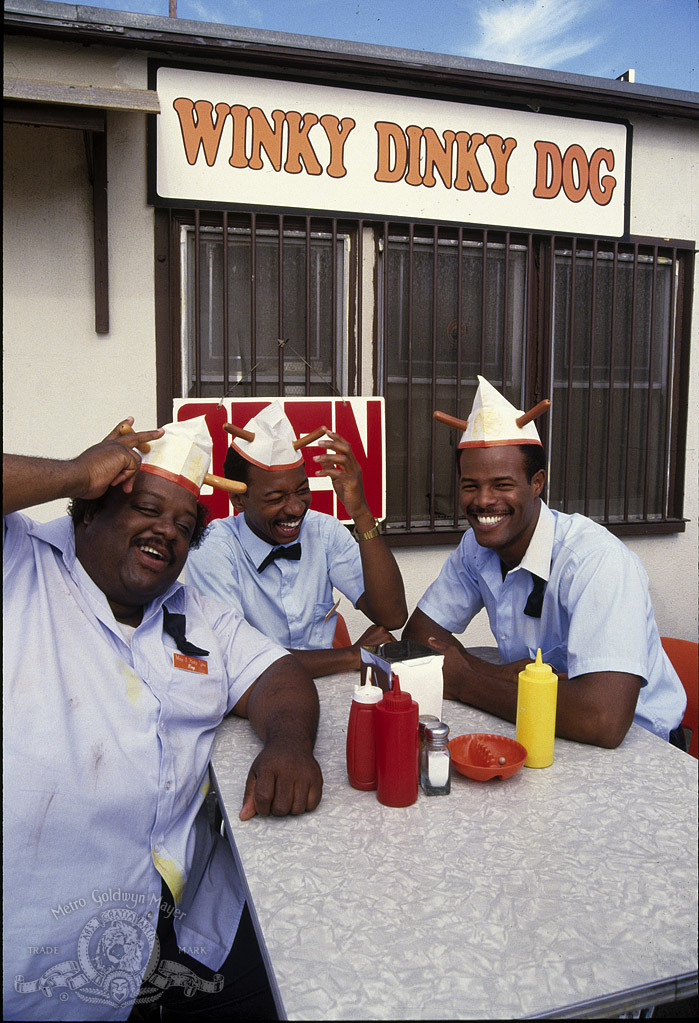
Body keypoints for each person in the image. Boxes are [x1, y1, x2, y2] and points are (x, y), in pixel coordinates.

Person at [3, 415, 323, 1021]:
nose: (167, 532)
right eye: (148, 508)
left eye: (184, 524)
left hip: (182, 931)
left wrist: (287, 745)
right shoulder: (20, 563)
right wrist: (74, 471)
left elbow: (279, 677)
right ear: (90, 511)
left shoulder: (194, 613)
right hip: (39, 957)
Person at [402, 377, 686, 750]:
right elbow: (417, 638)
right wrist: (499, 675)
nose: (483, 501)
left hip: (643, 746)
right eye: (470, 485)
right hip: (540, 724)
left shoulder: (595, 561)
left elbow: (603, 719)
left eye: (502, 484)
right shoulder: (476, 548)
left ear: (537, 483)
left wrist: (467, 681)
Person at [187, 402, 407, 677]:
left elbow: (392, 617)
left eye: (302, 491)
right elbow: (238, 658)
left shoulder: (324, 530)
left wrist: (361, 512)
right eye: (275, 498)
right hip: (256, 696)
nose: (295, 508)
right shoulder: (214, 546)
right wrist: (353, 655)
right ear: (238, 500)